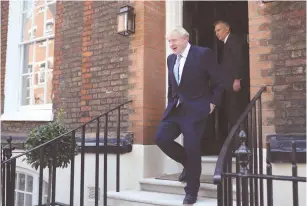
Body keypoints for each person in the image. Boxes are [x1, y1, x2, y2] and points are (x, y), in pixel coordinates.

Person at [155, 27, 224, 205]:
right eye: (169, 41)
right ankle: (189, 164)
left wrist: (212, 103)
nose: (171, 44)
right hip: (176, 109)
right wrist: (170, 102)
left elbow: (218, 80)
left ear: (185, 38)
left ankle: (191, 191)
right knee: (161, 138)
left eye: (174, 40)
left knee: (193, 149)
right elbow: (173, 85)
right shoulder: (171, 59)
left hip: (196, 110)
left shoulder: (202, 54)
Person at [214, 20, 248, 135]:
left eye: (219, 30)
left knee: (236, 114)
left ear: (227, 29)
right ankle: (236, 146)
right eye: (215, 31)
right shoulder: (226, 43)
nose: (217, 33)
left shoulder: (233, 40)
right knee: (231, 114)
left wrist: (237, 79)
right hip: (229, 85)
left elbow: (239, 60)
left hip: (235, 85)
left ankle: (240, 147)